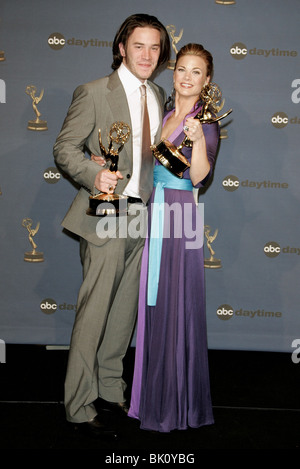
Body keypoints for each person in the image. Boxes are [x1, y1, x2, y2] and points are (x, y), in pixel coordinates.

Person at [53, 14, 170, 438]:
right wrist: (91, 173)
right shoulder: (93, 92)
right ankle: (79, 403)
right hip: (105, 211)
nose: (147, 54)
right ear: (122, 47)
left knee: (123, 313)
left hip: (144, 213)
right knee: (95, 311)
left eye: (155, 47)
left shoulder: (159, 94)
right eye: (138, 45)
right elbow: (65, 148)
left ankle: (109, 386)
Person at [128, 43, 220, 432]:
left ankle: (173, 406)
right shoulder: (165, 114)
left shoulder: (208, 120)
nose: (186, 77)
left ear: (207, 80)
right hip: (153, 212)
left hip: (180, 216)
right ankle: (151, 397)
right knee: (155, 308)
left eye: (196, 72)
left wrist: (198, 138)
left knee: (174, 305)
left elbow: (200, 176)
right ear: (173, 72)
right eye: (182, 69)